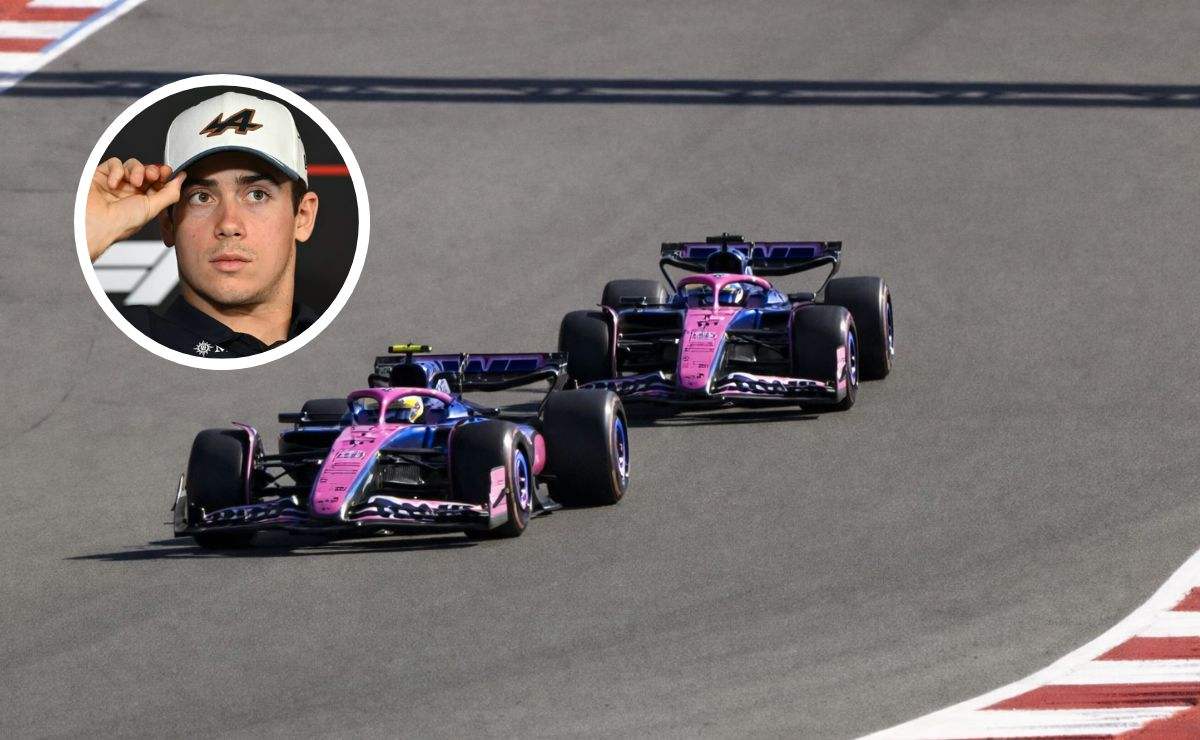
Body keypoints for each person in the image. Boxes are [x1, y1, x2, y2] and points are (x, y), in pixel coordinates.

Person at [85, 91, 320, 357]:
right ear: (168, 223)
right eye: (202, 197)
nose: (229, 224)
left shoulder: (342, 347)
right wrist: (90, 230)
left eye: (257, 195)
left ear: (303, 216)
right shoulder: (107, 344)